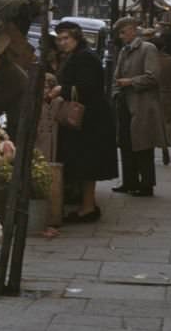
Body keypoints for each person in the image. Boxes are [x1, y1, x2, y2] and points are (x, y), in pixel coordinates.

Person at [48, 21, 118, 222]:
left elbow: (88, 87)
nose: (62, 42)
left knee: (88, 164)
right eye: (59, 39)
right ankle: (86, 205)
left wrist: (61, 89)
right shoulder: (77, 55)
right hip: (85, 118)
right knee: (84, 163)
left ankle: (88, 208)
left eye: (66, 38)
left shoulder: (85, 57)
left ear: (76, 38)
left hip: (91, 119)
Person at [112, 17, 168, 197]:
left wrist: (130, 82)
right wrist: (116, 91)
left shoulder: (147, 49)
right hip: (124, 103)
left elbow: (153, 77)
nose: (121, 36)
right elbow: (116, 75)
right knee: (126, 143)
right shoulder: (124, 51)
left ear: (132, 30)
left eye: (123, 32)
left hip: (142, 105)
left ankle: (146, 184)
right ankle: (129, 181)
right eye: (119, 33)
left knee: (143, 145)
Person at [155, 40, 171, 166]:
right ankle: (165, 146)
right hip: (166, 95)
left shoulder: (149, 60)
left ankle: (150, 148)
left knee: (151, 122)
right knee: (166, 122)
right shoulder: (170, 61)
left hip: (151, 95)